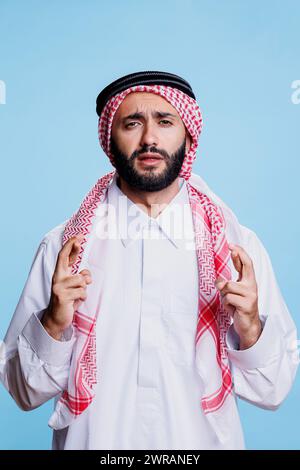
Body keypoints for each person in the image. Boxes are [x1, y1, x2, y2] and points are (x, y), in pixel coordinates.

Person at [0, 71, 298, 450]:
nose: (150, 138)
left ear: (188, 135)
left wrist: (252, 326)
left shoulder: (238, 249)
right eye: (133, 123)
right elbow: (24, 392)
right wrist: (54, 322)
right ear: (110, 139)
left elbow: (273, 390)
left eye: (165, 121)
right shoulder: (65, 249)